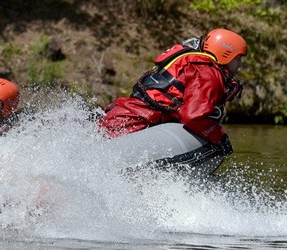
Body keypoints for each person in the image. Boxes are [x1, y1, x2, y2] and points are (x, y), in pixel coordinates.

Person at [98, 28, 247, 155]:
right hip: (131, 124)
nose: (240, 65)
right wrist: (218, 136)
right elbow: (194, 117)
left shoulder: (196, 65)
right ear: (226, 54)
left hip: (121, 116)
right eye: (238, 58)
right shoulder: (207, 73)